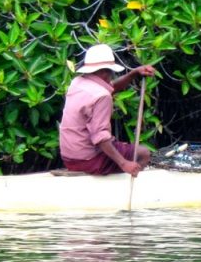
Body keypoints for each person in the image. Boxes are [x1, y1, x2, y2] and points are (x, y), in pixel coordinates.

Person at [59, 43, 157, 177]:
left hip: (69, 157)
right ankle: (127, 191)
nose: (112, 75)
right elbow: (100, 138)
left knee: (121, 148)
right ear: (106, 71)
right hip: (88, 160)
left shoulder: (78, 82)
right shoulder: (102, 96)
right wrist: (124, 163)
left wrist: (134, 73)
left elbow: (111, 88)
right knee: (143, 153)